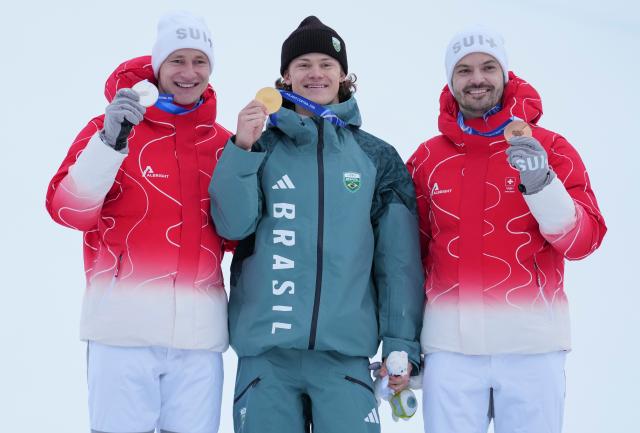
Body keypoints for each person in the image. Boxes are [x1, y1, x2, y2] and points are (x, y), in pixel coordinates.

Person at [209, 16, 424, 433]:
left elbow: (397, 263)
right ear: (285, 77)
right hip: (266, 358)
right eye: (302, 64)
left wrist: (401, 344)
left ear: (344, 75)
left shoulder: (377, 157)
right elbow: (231, 225)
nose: (315, 73)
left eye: (326, 63)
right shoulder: (259, 146)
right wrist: (242, 147)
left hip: (344, 360)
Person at [406, 27, 607, 433]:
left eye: (487, 67)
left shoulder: (551, 147)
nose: (476, 78)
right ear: (450, 80)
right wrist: (406, 346)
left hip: (532, 346)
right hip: (451, 350)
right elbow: (410, 257)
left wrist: (542, 184)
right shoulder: (428, 158)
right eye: (463, 70)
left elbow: (583, 241)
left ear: (505, 74)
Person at [45, 11, 231, 433]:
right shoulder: (110, 127)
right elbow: (68, 209)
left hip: (199, 341)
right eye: (177, 60)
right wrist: (111, 143)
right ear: (158, 66)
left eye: (199, 61)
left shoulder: (221, 142)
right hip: (121, 332)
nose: (188, 72)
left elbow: (239, 234)